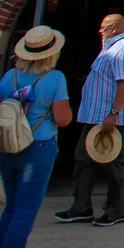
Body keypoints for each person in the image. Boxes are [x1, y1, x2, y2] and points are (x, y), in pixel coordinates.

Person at [55, 14, 124, 228]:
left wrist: (113, 113)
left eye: (104, 27)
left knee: (112, 162)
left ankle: (116, 210)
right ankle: (81, 208)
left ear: (114, 28)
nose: (100, 31)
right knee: (84, 159)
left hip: (110, 118)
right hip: (95, 116)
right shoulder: (110, 47)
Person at [0, 27, 72, 247]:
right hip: (38, 145)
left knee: (12, 205)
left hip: (7, 145)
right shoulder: (55, 78)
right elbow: (63, 119)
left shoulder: (8, 76)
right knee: (26, 209)